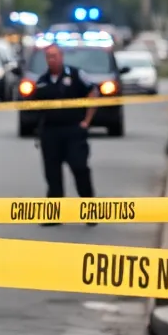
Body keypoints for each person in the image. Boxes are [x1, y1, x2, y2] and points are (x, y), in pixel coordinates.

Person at [31, 44, 99, 226]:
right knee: (52, 174)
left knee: (80, 168)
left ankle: (90, 211)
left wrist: (87, 121)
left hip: (73, 130)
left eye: (54, 56)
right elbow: (34, 106)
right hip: (50, 133)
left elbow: (93, 92)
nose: (51, 60)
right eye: (48, 56)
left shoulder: (76, 74)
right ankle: (54, 214)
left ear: (61, 56)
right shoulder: (42, 81)